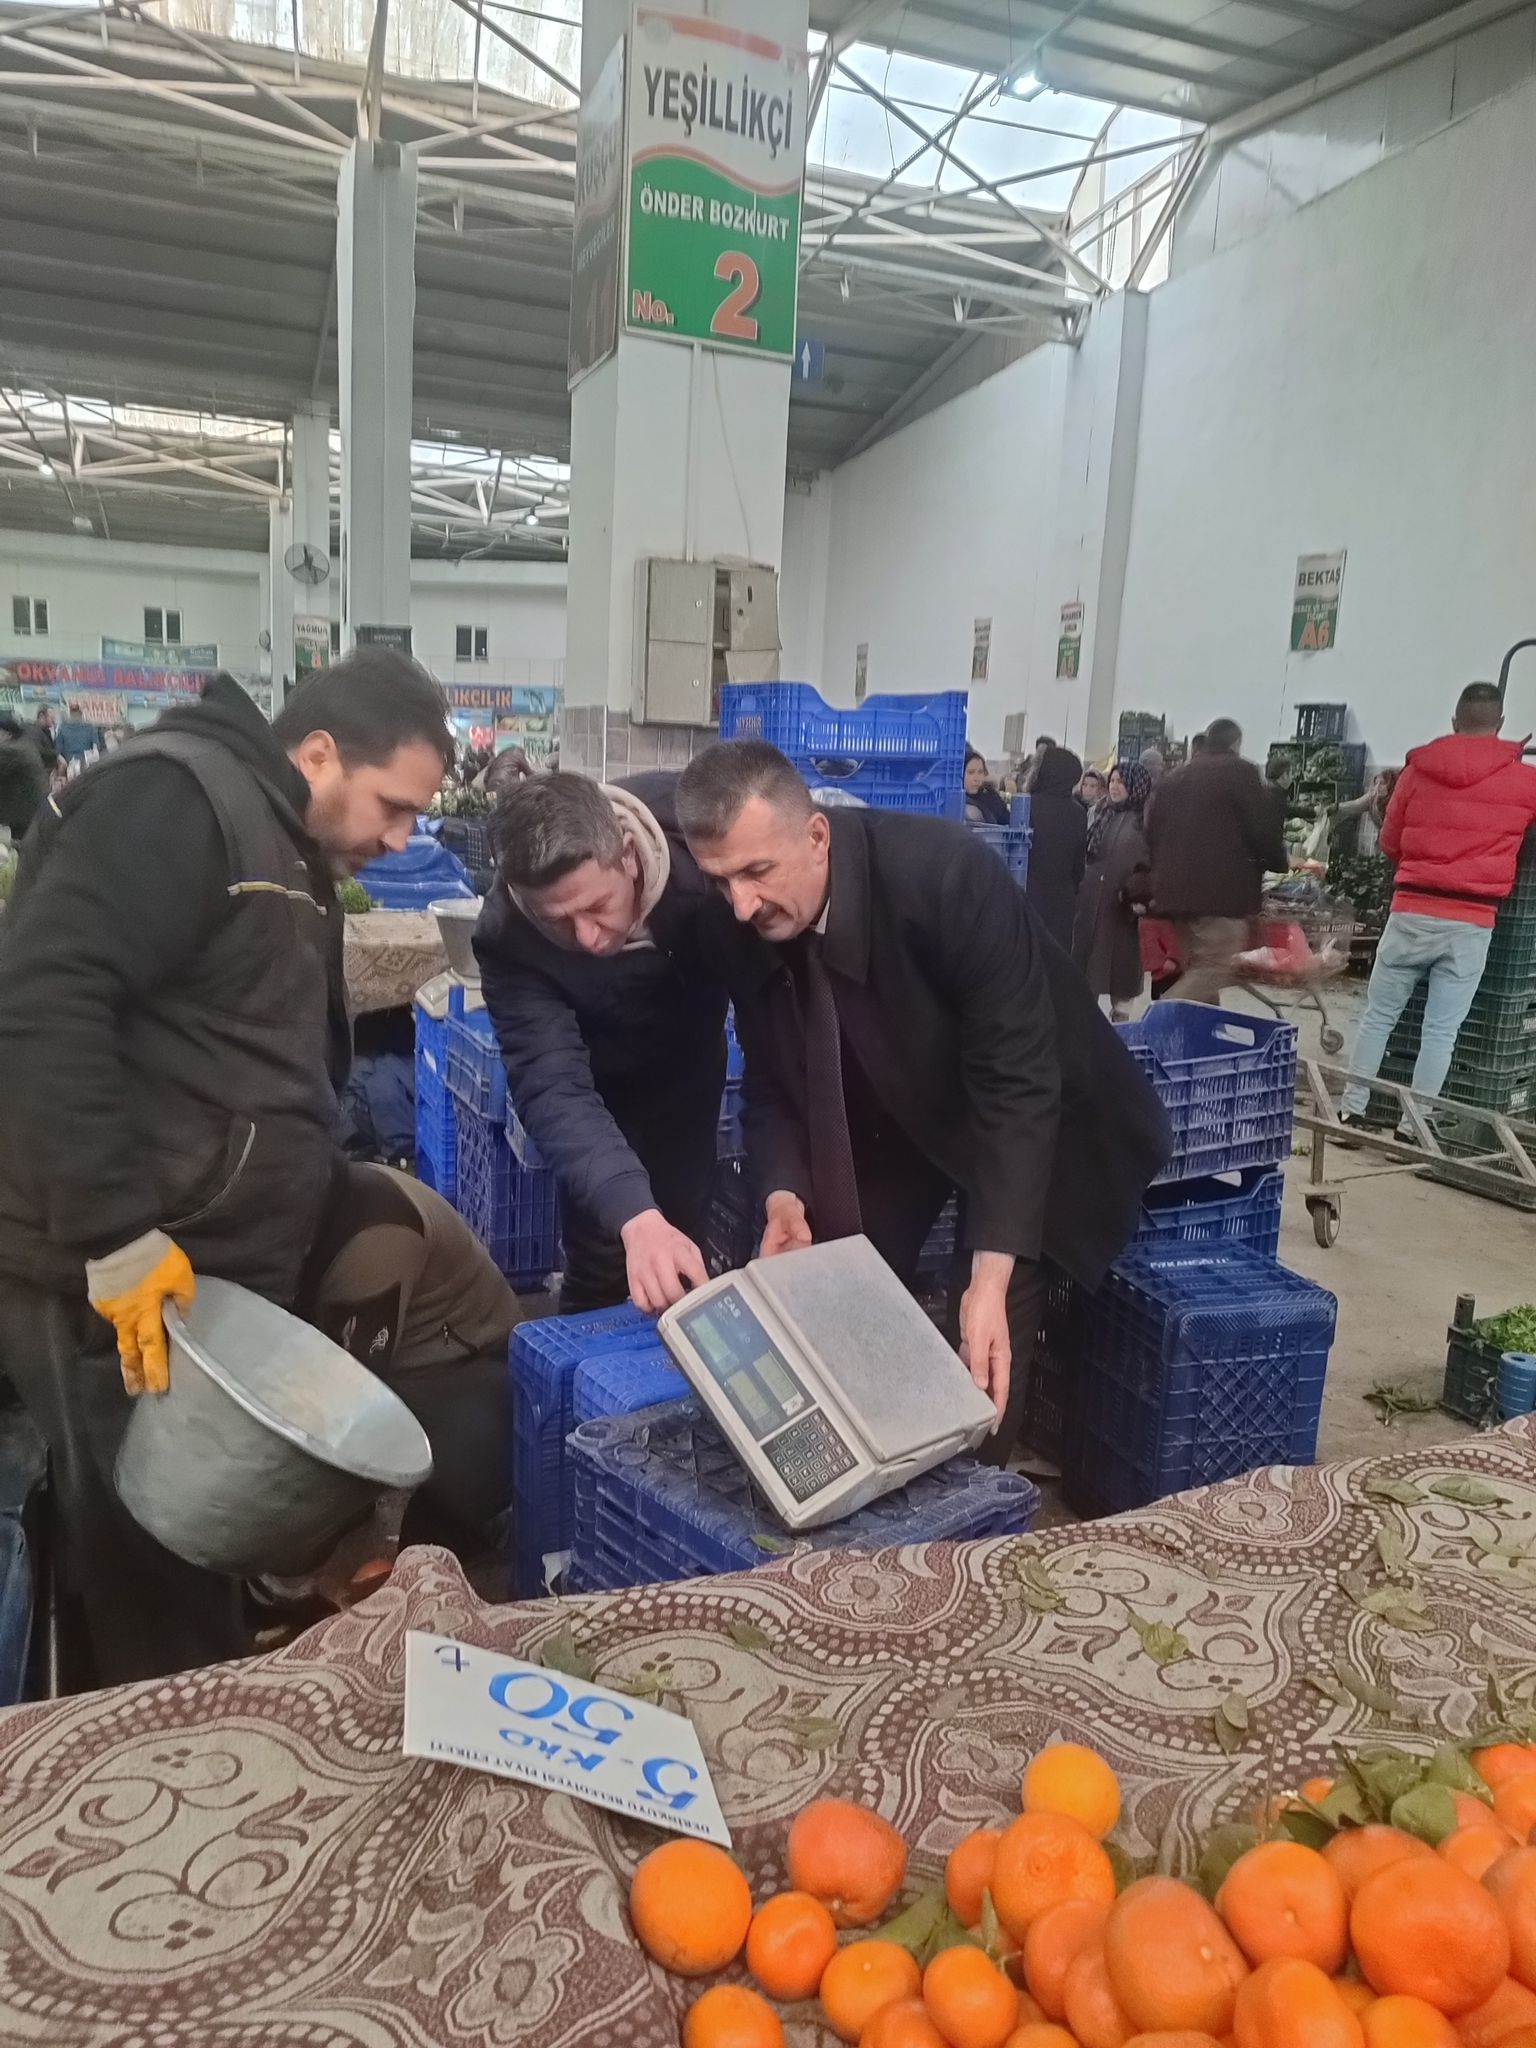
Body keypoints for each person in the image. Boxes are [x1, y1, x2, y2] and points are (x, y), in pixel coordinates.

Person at [0, 651, 518, 1687]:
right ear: (319, 753)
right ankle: (171, 1760)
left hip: (205, 1277)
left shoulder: (285, 843)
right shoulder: (174, 800)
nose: (403, 838)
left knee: (199, 1547)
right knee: (151, 1570)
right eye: (394, 805)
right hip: (112, 1280)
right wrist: (114, 1233)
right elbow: (44, 1005)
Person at [674, 741, 1170, 1464]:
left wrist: (989, 1278)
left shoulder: (946, 876)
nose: (742, 903)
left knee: (986, 1338)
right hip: (898, 1105)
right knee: (844, 1291)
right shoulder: (736, 924)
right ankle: (864, 1466)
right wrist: (783, 1195)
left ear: (817, 836)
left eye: (757, 872)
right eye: (721, 880)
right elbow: (772, 1079)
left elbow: (1018, 1079)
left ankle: (968, 1501)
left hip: (1039, 1111)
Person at [474, 771, 734, 1315]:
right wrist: (634, 1216)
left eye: (597, 907)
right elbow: (549, 1082)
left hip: (690, 1067)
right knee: (604, 1247)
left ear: (630, 857)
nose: (588, 939)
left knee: (681, 1237)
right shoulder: (508, 935)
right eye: (558, 922)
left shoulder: (700, 834)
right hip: (598, 1086)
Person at [1341, 683, 1536, 1126]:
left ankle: (1351, 1112)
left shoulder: (1416, 773)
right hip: (1472, 921)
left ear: (1453, 721)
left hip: (1411, 909)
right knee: (1441, 1031)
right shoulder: (1526, 782)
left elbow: (1389, 841)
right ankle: (1413, 1127)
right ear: (1501, 725)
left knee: (1378, 1018)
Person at [1147, 717, 1290, 1005]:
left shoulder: (1174, 777)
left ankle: (1206, 1029)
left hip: (1173, 895)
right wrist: (1278, 862)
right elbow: (1262, 830)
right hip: (1219, 896)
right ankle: (1156, 1021)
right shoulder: (1242, 772)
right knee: (1213, 967)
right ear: (1236, 743)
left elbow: (1151, 831)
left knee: (1198, 968)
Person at [1074, 760, 1153, 1018]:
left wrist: (1141, 894)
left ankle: (1122, 1017)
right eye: (1113, 781)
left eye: (1122, 782)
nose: (1115, 786)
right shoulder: (1100, 812)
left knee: (1123, 964)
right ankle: (1086, 1017)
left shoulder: (1146, 819)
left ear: (1136, 785)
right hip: (1091, 900)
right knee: (1090, 962)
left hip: (1124, 906)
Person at [1022, 744, 1086, 953]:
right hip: (1062, 899)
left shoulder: (1027, 806)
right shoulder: (1078, 812)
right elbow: (1079, 864)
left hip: (1028, 893)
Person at [0, 714, 47, 842]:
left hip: (24, 814)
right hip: (32, 810)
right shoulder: (23, 744)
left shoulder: (13, 750)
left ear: (7, 733)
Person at [963, 745, 1011, 825]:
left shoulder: (992, 797)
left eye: (980, 772)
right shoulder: (954, 801)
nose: (976, 778)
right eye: (971, 772)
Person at [54, 701, 100, 767]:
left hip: (82, 763)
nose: (75, 714)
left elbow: (96, 746)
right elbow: (58, 752)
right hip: (75, 764)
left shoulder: (89, 727)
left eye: (75, 712)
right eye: (74, 712)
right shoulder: (63, 728)